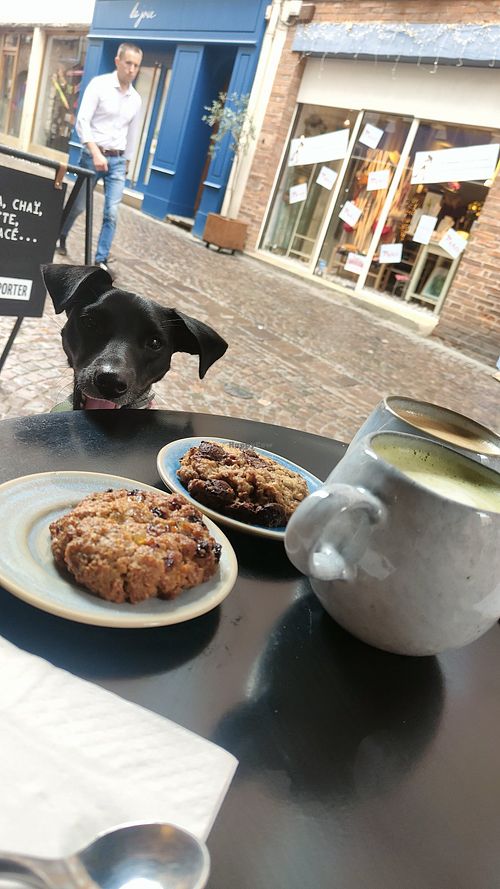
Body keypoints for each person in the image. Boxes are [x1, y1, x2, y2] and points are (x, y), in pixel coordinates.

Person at [57, 43, 143, 273]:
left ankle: (101, 258)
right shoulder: (99, 86)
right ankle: (60, 236)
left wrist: (127, 163)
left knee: (112, 212)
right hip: (92, 156)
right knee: (78, 206)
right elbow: (83, 121)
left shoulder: (136, 99)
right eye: (128, 63)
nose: (132, 69)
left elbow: (133, 134)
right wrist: (95, 153)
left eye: (136, 65)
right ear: (118, 61)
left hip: (116, 161)